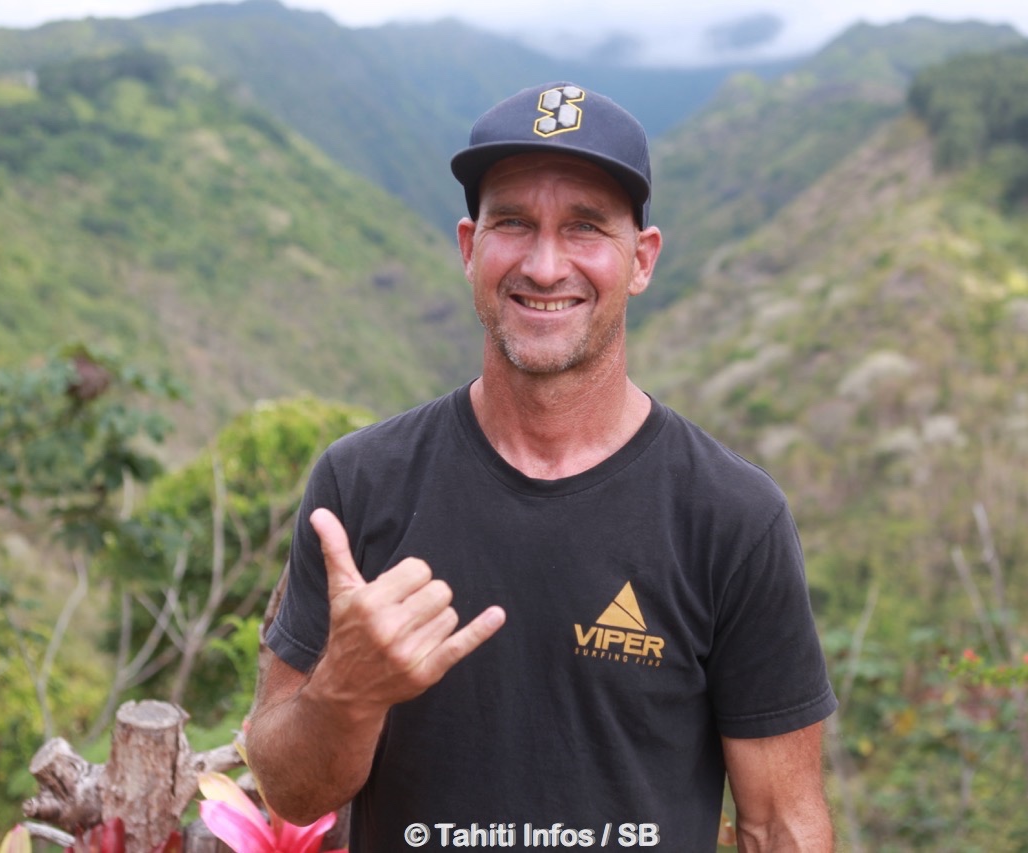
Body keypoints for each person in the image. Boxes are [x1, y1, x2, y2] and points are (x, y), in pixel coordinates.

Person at [246, 82, 837, 852]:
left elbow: (780, 823)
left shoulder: (729, 516)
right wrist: (344, 694)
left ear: (641, 260)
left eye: (585, 227)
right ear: (469, 247)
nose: (546, 263)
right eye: (513, 223)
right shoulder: (361, 485)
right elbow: (290, 792)